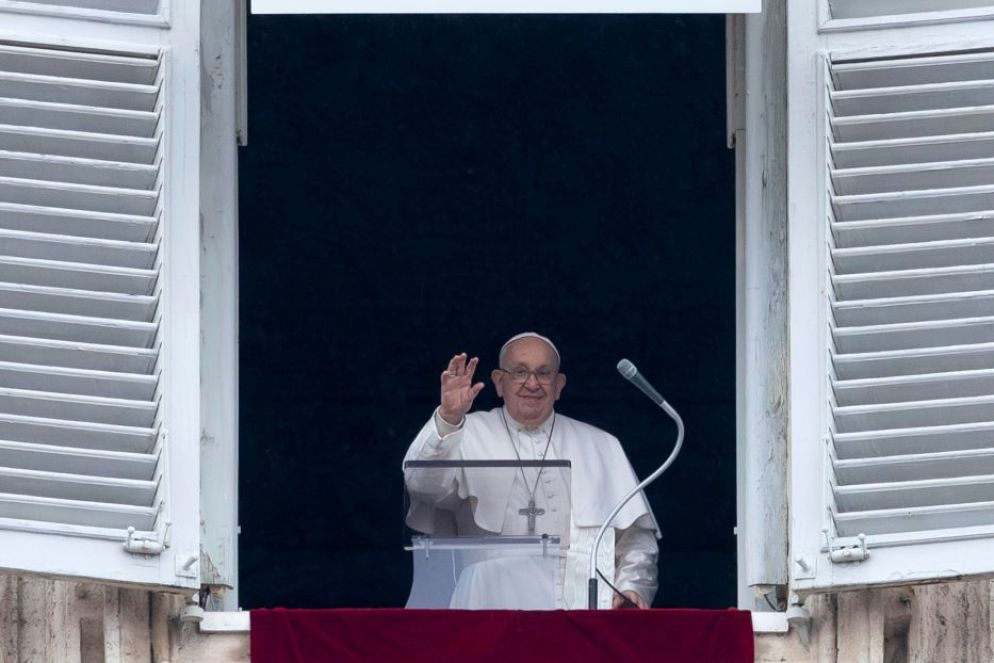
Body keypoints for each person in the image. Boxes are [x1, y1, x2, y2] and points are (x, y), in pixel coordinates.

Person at [404, 332, 659, 609]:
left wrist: (632, 586)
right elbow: (423, 486)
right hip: (489, 607)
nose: (532, 383)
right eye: (520, 372)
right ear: (499, 382)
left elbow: (635, 537)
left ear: (559, 385)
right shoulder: (464, 433)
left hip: (581, 609)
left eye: (544, 373)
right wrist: (448, 418)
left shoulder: (601, 445)